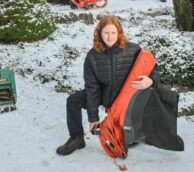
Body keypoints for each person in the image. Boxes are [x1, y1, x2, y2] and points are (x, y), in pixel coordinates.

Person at [56, 15, 161, 156]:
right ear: (99, 33)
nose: (110, 37)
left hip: (127, 97)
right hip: (104, 95)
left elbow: (153, 68)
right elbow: (92, 88)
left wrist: (151, 80)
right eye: (106, 33)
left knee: (128, 133)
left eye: (113, 33)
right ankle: (77, 138)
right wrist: (93, 118)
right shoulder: (92, 56)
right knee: (73, 100)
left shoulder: (133, 49)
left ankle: (132, 133)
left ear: (119, 33)